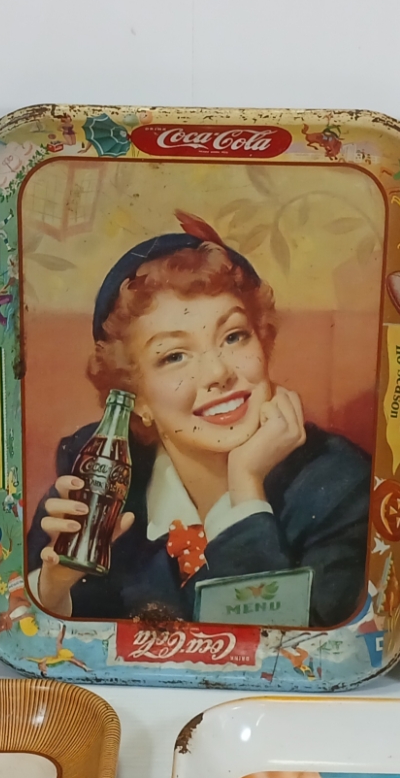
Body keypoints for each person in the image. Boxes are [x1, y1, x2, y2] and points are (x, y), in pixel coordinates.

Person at [33, 212, 370, 626]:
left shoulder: (339, 486)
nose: (218, 373)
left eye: (234, 336)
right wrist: (54, 589)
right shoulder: (96, 473)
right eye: (174, 356)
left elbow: (289, 647)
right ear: (135, 398)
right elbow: (34, 631)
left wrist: (246, 490)